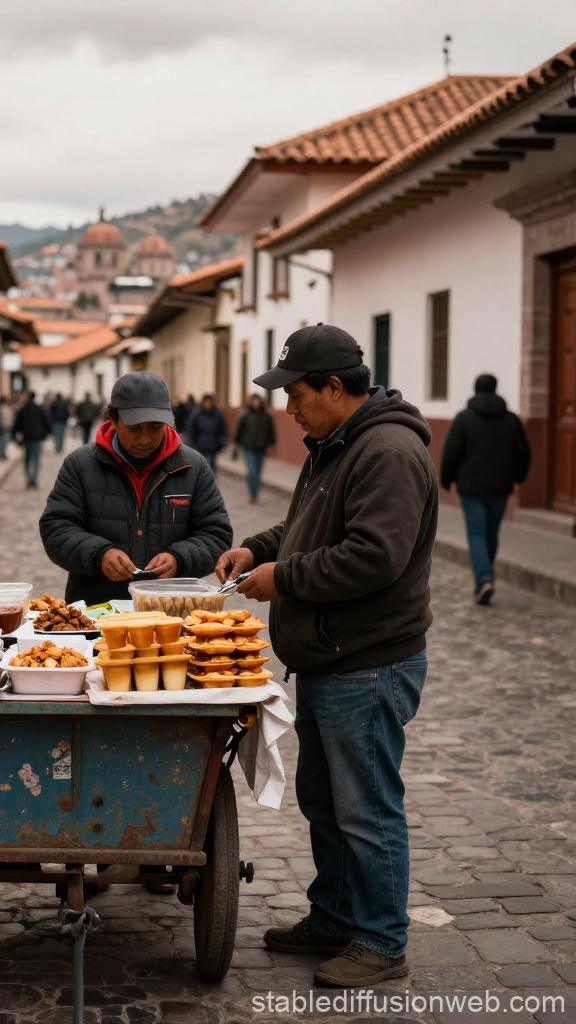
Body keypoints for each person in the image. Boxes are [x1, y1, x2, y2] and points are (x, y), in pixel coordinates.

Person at [214, 324, 437, 989]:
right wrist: (257, 547)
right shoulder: (334, 446)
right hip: (328, 660)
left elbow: (374, 556)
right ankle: (336, 916)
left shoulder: (388, 451)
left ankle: (381, 940)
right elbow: (308, 528)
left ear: (334, 388)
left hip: (367, 663)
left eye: (297, 394)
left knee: (365, 807)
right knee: (326, 801)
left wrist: (281, 580)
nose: (289, 408)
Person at [41, 371, 232, 605]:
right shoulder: (80, 465)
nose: (145, 439)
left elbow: (216, 534)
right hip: (97, 612)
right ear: (112, 417)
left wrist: (178, 558)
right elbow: (56, 530)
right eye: (135, 428)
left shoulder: (193, 467)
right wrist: (99, 555)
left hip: (172, 613)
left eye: (154, 427)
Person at [440, 374, 530, 606]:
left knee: (477, 533)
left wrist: (446, 480)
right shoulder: (511, 420)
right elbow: (523, 452)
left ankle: (484, 578)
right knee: (491, 533)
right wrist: (518, 477)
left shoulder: (464, 418)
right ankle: (485, 577)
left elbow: (452, 451)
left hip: (471, 488)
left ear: (476, 389)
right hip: (500, 487)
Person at [234, 393, 277, 502]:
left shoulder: (267, 416)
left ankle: (255, 489)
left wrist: (271, 444)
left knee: (257, 471)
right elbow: (239, 431)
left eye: (258, 401)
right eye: (254, 401)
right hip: (249, 447)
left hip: (261, 448)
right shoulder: (245, 416)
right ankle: (253, 492)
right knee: (251, 470)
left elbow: (271, 431)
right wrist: (236, 445)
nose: (256, 403)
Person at [13, 391, 52, 489]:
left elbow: (17, 423)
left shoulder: (23, 409)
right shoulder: (39, 409)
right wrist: (46, 433)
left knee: (28, 457)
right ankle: (33, 477)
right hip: (37, 437)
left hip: (27, 437)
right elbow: (46, 421)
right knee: (36, 458)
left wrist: (15, 435)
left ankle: (29, 476)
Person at [185, 394, 228, 472]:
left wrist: (221, 441)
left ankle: (211, 482)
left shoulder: (217, 415)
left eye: (209, 402)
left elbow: (222, 429)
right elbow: (191, 429)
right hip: (200, 445)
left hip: (213, 445)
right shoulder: (197, 414)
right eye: (206, 402)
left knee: (212, 466)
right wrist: (191, 443)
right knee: (201, 465)